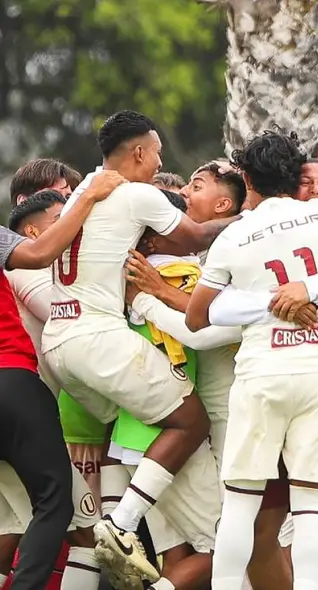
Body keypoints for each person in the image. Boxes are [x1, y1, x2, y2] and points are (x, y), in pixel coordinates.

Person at [39, 109, 238, 583]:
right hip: (97, 337)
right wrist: (254, 216)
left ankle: (118, 513)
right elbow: (192, 234)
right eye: (158, 154)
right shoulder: (135, 193)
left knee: (135, 426)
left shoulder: (84, 191)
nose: (159, 163)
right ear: (140, 152)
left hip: (60, 342)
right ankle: (119, 524)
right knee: (191, 420)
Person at [184, 130, 318, 590]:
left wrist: (264, 301)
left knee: (240, 505)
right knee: (311, 508)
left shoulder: (234, 235)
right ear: (295, 175)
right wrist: (301, 292)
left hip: (262, 376)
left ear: (247, 177)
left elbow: (197, 316)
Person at [0, 170, 124, 590]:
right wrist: (88, 197)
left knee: (14, 531)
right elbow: (38, 255)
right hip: (11, 380)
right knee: (55, 505)